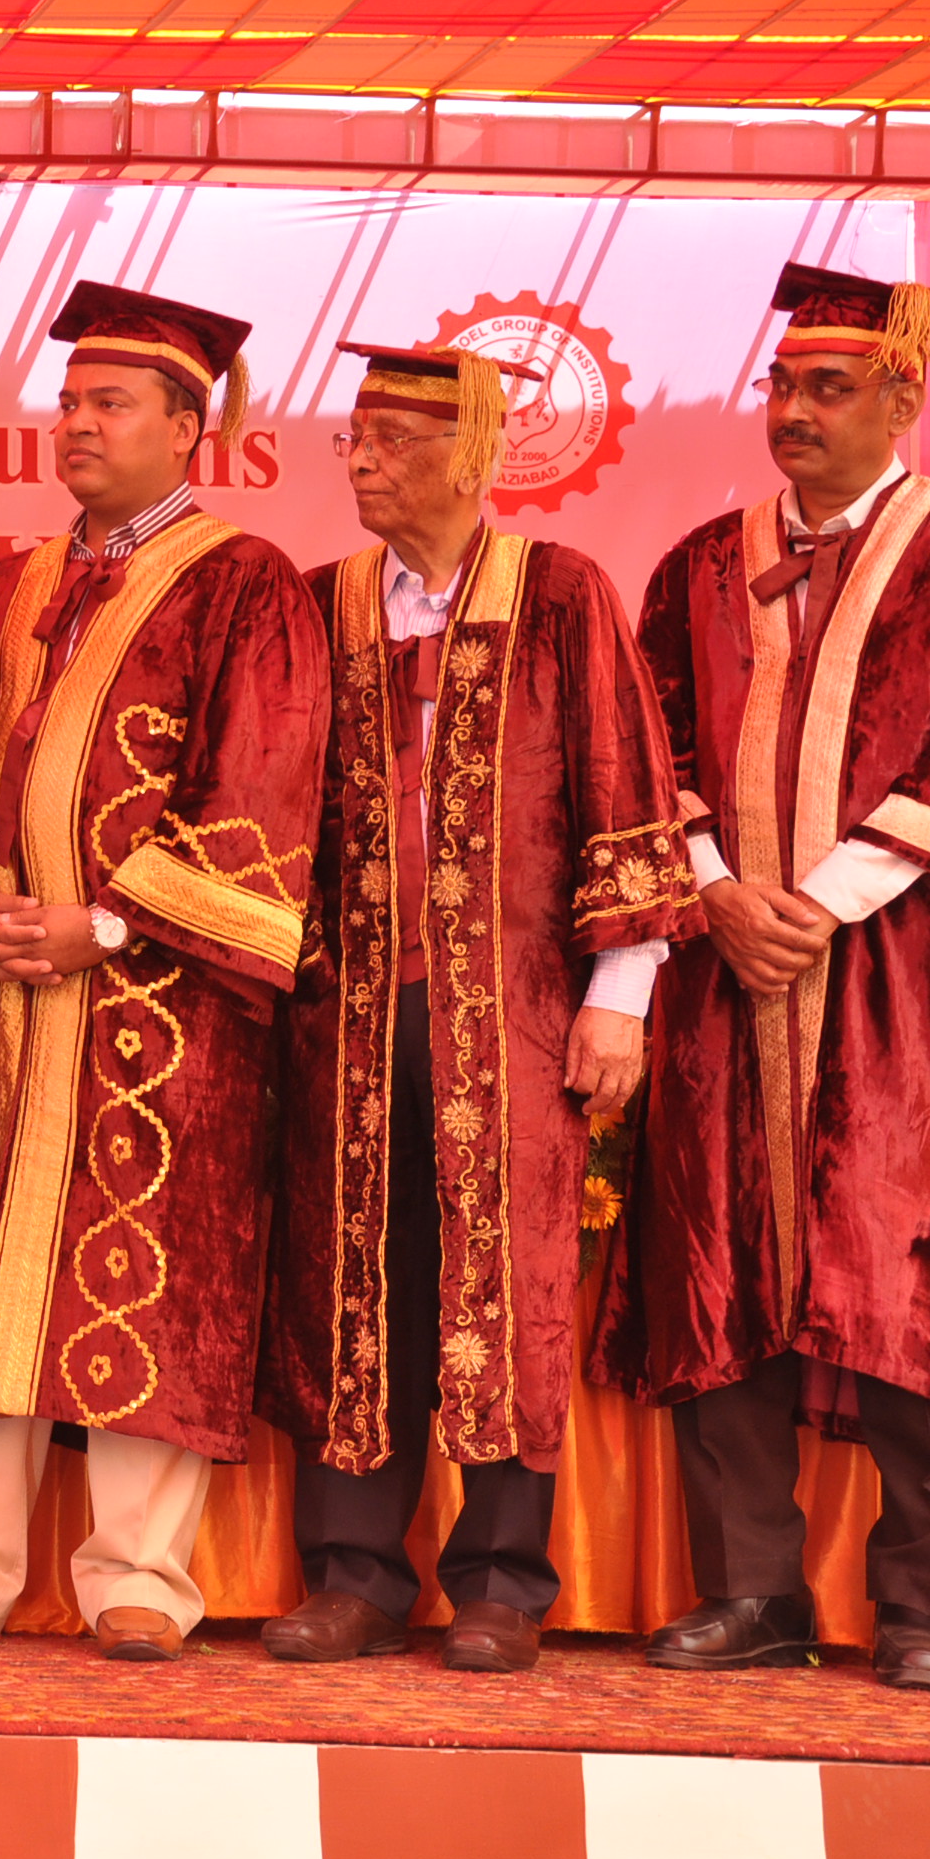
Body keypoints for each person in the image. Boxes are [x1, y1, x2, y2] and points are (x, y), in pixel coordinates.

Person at [597, 262, 930, 1692]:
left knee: (907, 1265)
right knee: (721, 1268)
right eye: (783, 385)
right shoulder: (701, 563)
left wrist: (820, 903)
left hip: (893, 960)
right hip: (725, 964)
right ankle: (751, 1594)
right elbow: (650, 746)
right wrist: (715, 889)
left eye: (830, 388)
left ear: (903, 397)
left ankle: (921, 1611)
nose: (795, 411)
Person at [0, 281, 326, 1663]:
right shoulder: (7, 590)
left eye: (110, 403)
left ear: (189, 428)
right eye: (69, 401)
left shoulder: (246, 585)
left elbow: (261, 791)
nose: (75, 423)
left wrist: (106, 926)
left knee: (149, 1263)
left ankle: (139, 1575)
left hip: (159, 995)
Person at [256, 340, 698, 1675]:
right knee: (356, 1287)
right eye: (354, 438)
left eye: (394, 440)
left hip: (512, 1011)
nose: (364, 461)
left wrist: (621, 993)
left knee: (508, 1285)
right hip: (347, 1013)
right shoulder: (324, 605)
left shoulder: (560, 594)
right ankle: (352, 1578)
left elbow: (623, 787)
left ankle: (500, 1584)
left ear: (476, 455)